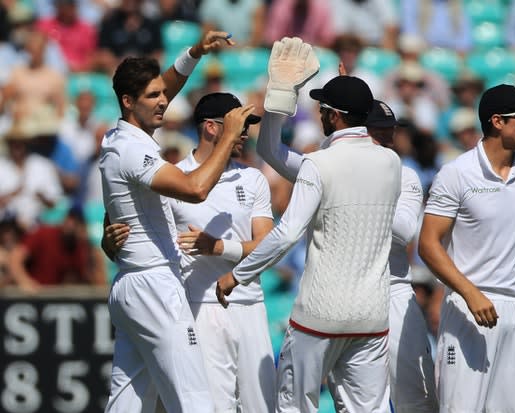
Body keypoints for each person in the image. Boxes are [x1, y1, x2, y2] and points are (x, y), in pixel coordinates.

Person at [217, 37, 402, 413]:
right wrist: (340, 93)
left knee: (293, 408)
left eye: (323, 110)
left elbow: (286, 231)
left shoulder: (319, 165)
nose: (319, 115)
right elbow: (282, 153)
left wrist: (238, 274)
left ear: (332, 116)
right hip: (371, 316)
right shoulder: (392, 164)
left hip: (319, 315)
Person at [98, 31, 257, 413]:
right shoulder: (134, 151)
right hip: (155, 286)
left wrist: (194, 52)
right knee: (195, 402)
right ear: (128, 101)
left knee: (128, 403)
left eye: (162, 95)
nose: (163, 102)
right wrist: (228, 137)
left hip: (130, 285)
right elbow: (195, 188)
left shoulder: (117, 137)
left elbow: (157, 87)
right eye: (153, 97)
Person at [257, 92, 438, 410]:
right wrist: (279, 96)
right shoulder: (329, 166)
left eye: (392, 128)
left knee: (417, 400)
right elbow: (271, 150)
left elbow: (406, 230)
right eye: (381, 129)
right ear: (361, 130)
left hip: (392, 293)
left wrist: (362, 195)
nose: (391, 136)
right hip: (341, 298)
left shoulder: (403, 173)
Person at [418, 84, 515, 412]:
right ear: (497, 121)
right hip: (470, 308)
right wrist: (470, 293)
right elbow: (428, 244)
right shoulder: (457, 173)